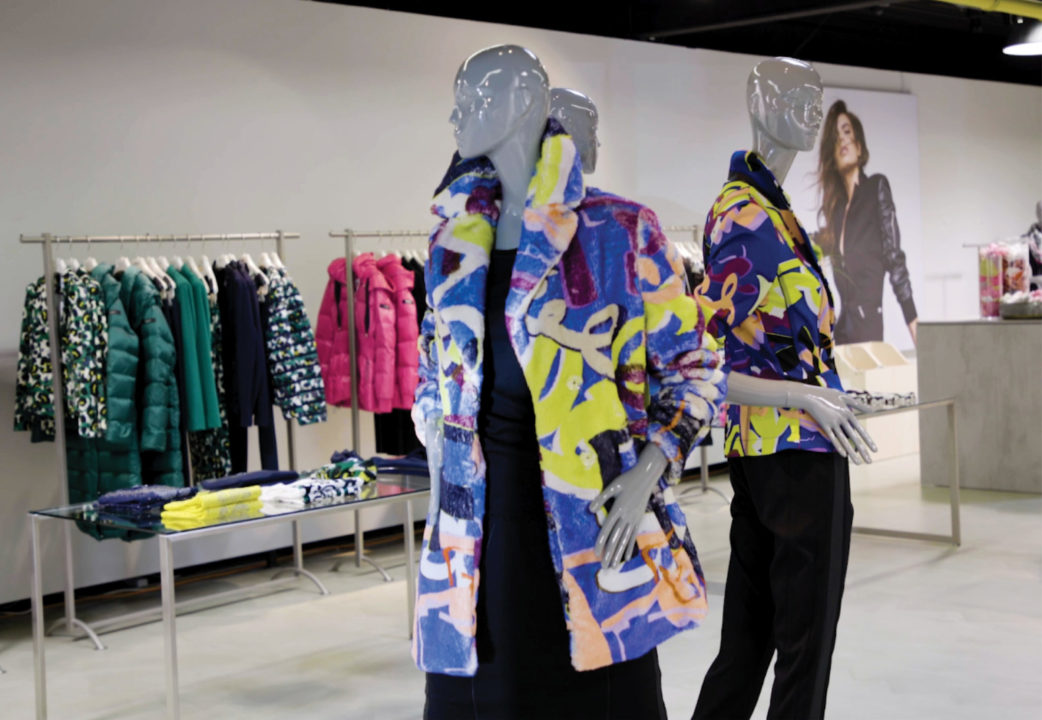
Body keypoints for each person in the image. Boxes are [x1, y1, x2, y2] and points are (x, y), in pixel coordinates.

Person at [414, 44, 726, 719]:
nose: (455, 115)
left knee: (597, 698)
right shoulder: (451, 243)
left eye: (471, 99)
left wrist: (648, 472)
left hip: (592, 525)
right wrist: (439, 456)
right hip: (478, 541)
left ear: (523, 102)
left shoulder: (619, 231)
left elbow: (698, 371)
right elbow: (432, 374)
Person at [693, 57, 877, 720]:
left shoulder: (769, 209)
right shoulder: (745, 216)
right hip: (797, 461)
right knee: (804, 651)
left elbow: (779, 342)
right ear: (758, 102)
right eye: (794, 95)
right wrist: (804, 396)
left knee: (748, 646)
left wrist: (824, 387)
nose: (811, 109)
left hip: (772, 457)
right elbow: (700, 362)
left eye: (816, 98)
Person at [816, 99, 919, 345]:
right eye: (836, 137)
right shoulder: (836, 210)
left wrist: (915, 327)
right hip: (842, 330)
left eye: (847, 132)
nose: (842, 140)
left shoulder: (876, 187)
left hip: (868, 329)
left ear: (859, 147)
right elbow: (817, 247)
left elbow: (894, 258)